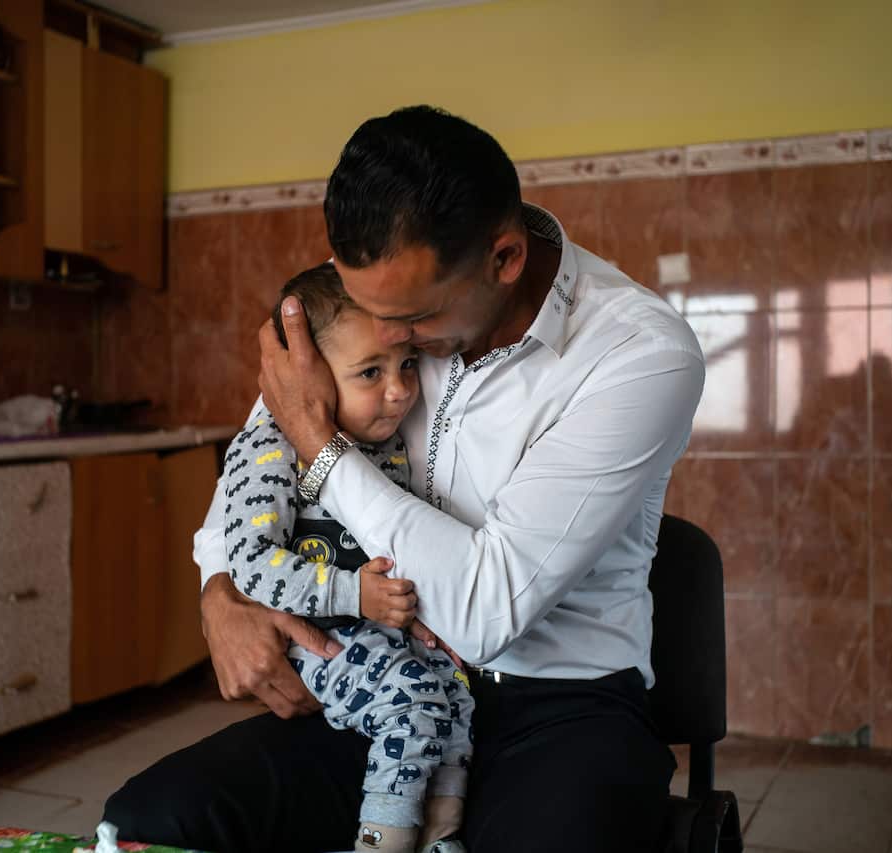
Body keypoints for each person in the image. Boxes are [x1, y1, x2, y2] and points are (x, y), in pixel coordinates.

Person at [104, 105, 705, 853]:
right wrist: (217, 594)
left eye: (413, 321)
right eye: (371, 311)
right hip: (382, 677)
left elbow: (487, 611)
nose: (389, 338)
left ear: (505, 258)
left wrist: (326, 450)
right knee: (151, 819)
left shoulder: (638, 355)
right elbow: (257, 477)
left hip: (560, 708)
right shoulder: (372, 296)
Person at [219, 262, 473, 853]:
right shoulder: (268, 448)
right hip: (317, 639)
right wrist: (353, 595)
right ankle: (383, 841)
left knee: (454, 692)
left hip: (382, 630)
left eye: (406, 365)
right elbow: (252, 566)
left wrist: (421, 613)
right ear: (304, 378)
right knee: (411, 706)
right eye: (370, 372)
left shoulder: (381, 447)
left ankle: (439, 833)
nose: (401, 389)